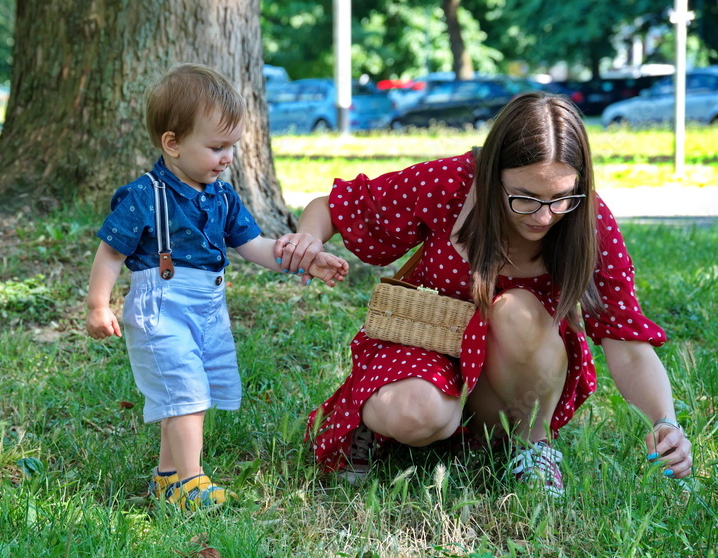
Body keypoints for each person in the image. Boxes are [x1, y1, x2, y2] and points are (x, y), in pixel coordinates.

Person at [275, 92, 693, 495]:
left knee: (516, 308)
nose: (544, 217)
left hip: (516, 380)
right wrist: (307, 239)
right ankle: (378, 422)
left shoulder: (588, 220)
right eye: (526, 198)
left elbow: (628, 344)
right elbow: (335, 207)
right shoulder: (450, 184)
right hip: (430, 349)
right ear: (491, 174)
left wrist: (665, 421)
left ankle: (532, 447)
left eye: (560, 197)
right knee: (416, 413)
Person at [86, 63, 349, 512]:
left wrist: (301, 259)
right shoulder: (145, 196)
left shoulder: (222, 197)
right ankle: (192, 483)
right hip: (160, 310)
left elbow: (254, 246)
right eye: (215, 147)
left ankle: (167, 479)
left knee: (187, 395)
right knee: (186, 394)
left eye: (231, 146)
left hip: (206, 310)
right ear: (172, 143)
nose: (227, 157)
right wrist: (98, 305)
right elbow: (110, 252)